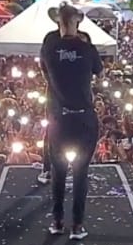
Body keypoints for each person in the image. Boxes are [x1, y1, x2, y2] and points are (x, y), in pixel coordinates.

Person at [40, 3, 102, 240]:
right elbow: (99, 70)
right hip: (84, 117)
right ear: (78, 21)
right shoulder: (86, 47)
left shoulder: (49, 45)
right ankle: (77, 225)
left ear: (58, 22)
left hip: (59, 118)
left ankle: (57, 221)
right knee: (81, 172)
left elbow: (44, 69)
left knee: (58, 171)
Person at [37, 25, 92, 186]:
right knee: (53, 130)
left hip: (81, 95)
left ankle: (79, 169)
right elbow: (43, 65)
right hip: (56, 97)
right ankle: (48, 168)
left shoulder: (84, 38)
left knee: (82, 130)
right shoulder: (51, 40)